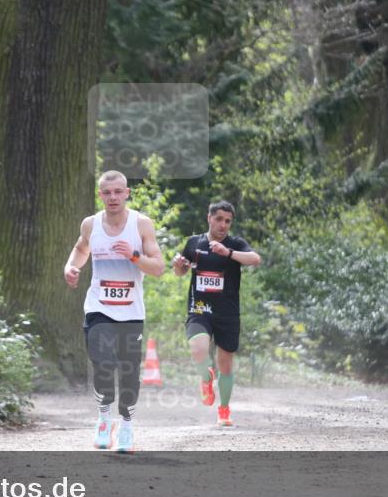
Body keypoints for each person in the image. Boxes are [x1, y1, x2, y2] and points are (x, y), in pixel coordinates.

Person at [64, 171, 164, 453]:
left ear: (127, 193)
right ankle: (104, 419)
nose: (113, 197)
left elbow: (158, 268)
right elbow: (80, 249)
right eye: (107, 193)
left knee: (129, 373)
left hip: (131, 313)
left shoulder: (141, 224)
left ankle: (127, 426)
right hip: (99, 307)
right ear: (100, 195)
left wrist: (133, 255)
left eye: (118, 192)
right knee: (103, 364)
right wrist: (71, 267)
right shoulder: (90, 224)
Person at [172, 200, 261, 427]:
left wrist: (228, 253)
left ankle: (224, 409)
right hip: (200, 308)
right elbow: (181, 271)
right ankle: (206, 377)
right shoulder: (194, 242)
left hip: (227, 313)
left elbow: (255, 259)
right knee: (198, 349)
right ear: (209, 218)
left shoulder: (235, 243)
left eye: (228, 221)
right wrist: (178, 265)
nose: (223, 225)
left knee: (226, 365)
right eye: (219, 219)